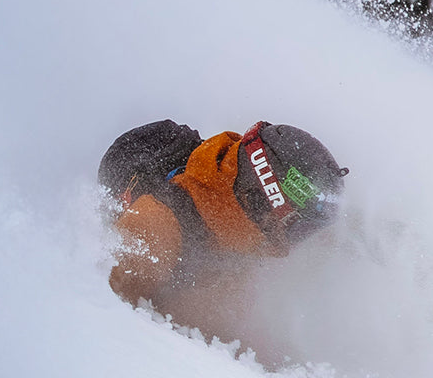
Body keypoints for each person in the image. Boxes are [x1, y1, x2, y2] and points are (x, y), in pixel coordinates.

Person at [99, 119, 348, 330]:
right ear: (259, 198)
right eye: (293, 227)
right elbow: (112, 324)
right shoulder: (155, 230)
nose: (288, 244)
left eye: (305, 232)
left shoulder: (231, 231)